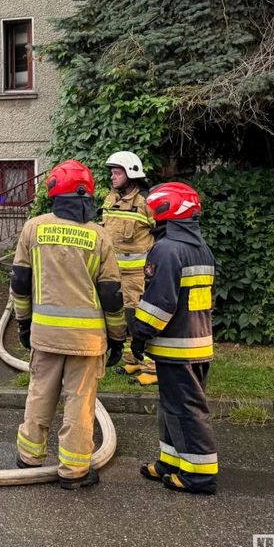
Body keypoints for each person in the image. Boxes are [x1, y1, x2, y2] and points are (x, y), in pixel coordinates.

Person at [11, 160, 127, 489]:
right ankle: (74, 471)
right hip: (87, 340)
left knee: (40, 393)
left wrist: (23, 322)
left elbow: (20, 281)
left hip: (45, 334)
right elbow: (111, 295)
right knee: (80, 401)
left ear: (54, 193)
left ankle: (28, 457)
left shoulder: (34, 228)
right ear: (88, 194)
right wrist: (118, 337)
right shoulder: (99, 236)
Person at [132, 182, 219, 495]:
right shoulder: (199, 247)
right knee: (172, 407)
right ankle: (171, 462)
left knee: (186, 410)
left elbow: (159, 304)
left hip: (177, 347)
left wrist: (139, 336)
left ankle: (199, 475)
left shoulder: (167, 249)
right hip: (195, 342)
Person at [100, 150, 157, 384]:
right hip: (114, 272)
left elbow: (160, 232)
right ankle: (131, 360)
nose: (113, 177)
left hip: (139, 275)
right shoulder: (109, 198)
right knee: (120, 317)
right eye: (112, 173)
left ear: (131, 174)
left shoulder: (145, 201)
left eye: (117, 173)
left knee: (142, 318)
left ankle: (151, 367)